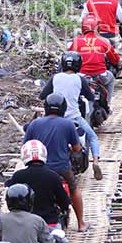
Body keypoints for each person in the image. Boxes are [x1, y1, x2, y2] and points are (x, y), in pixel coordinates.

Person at [7, 140, 79, 243]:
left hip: (22, 225)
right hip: (50, 225)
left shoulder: (19, 175)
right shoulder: (53, 176)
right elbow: (65, 202)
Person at [69, 16, 122, 180]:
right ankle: (107, 104)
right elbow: (114, 58)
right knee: (111, 79)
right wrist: (117, 64)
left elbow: (68, 57)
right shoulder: (102, 42)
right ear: (97, 28)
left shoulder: (77, 42)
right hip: (100, 76)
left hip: (82, 76)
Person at [23, 93, 87, 232]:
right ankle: (81, 224)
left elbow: (26, 145)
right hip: (62, 168)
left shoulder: (35, 124)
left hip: (38, 167)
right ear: (63, 108)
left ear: (45, 107)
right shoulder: (68, 124)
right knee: (74, 189)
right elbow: (77, 148)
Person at [39, 52, 99, 180]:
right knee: (93, 136)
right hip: (75, 117)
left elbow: (42, 95)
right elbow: (90, 97)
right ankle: (95, 162)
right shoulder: (80, 79)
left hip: (54, 118)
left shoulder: (55, 78)